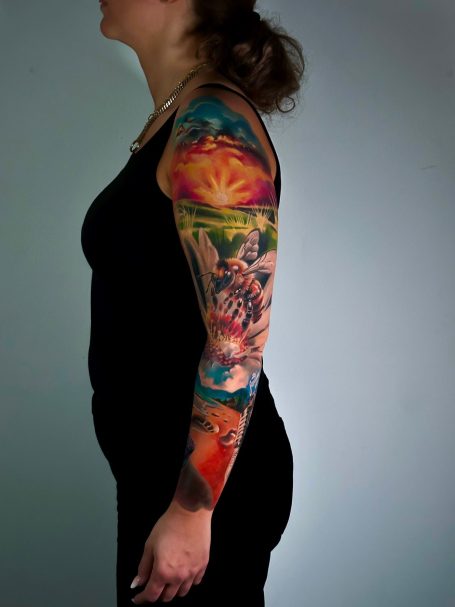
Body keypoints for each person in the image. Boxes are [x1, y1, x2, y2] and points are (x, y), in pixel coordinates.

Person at [81, 1, 305, 605]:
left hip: (201, 489)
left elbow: (237, 342)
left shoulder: (211, 125)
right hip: (163, 474)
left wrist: (191, 510)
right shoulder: (182, 116)